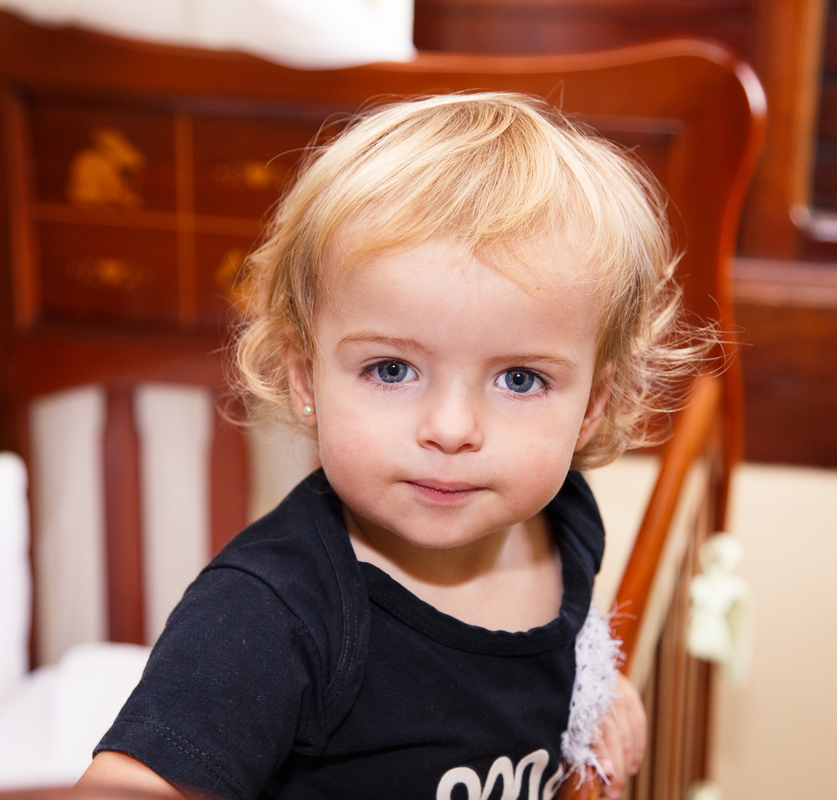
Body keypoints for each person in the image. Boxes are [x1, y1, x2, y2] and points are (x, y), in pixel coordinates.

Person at [78, 91, 700, 800]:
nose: (452, 427)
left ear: (591, 405)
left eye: (520, 378)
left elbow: (556, 658)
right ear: (305, 376)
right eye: (392, 370)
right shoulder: (270, 613)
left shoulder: (563, 524)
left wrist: (598, 692)